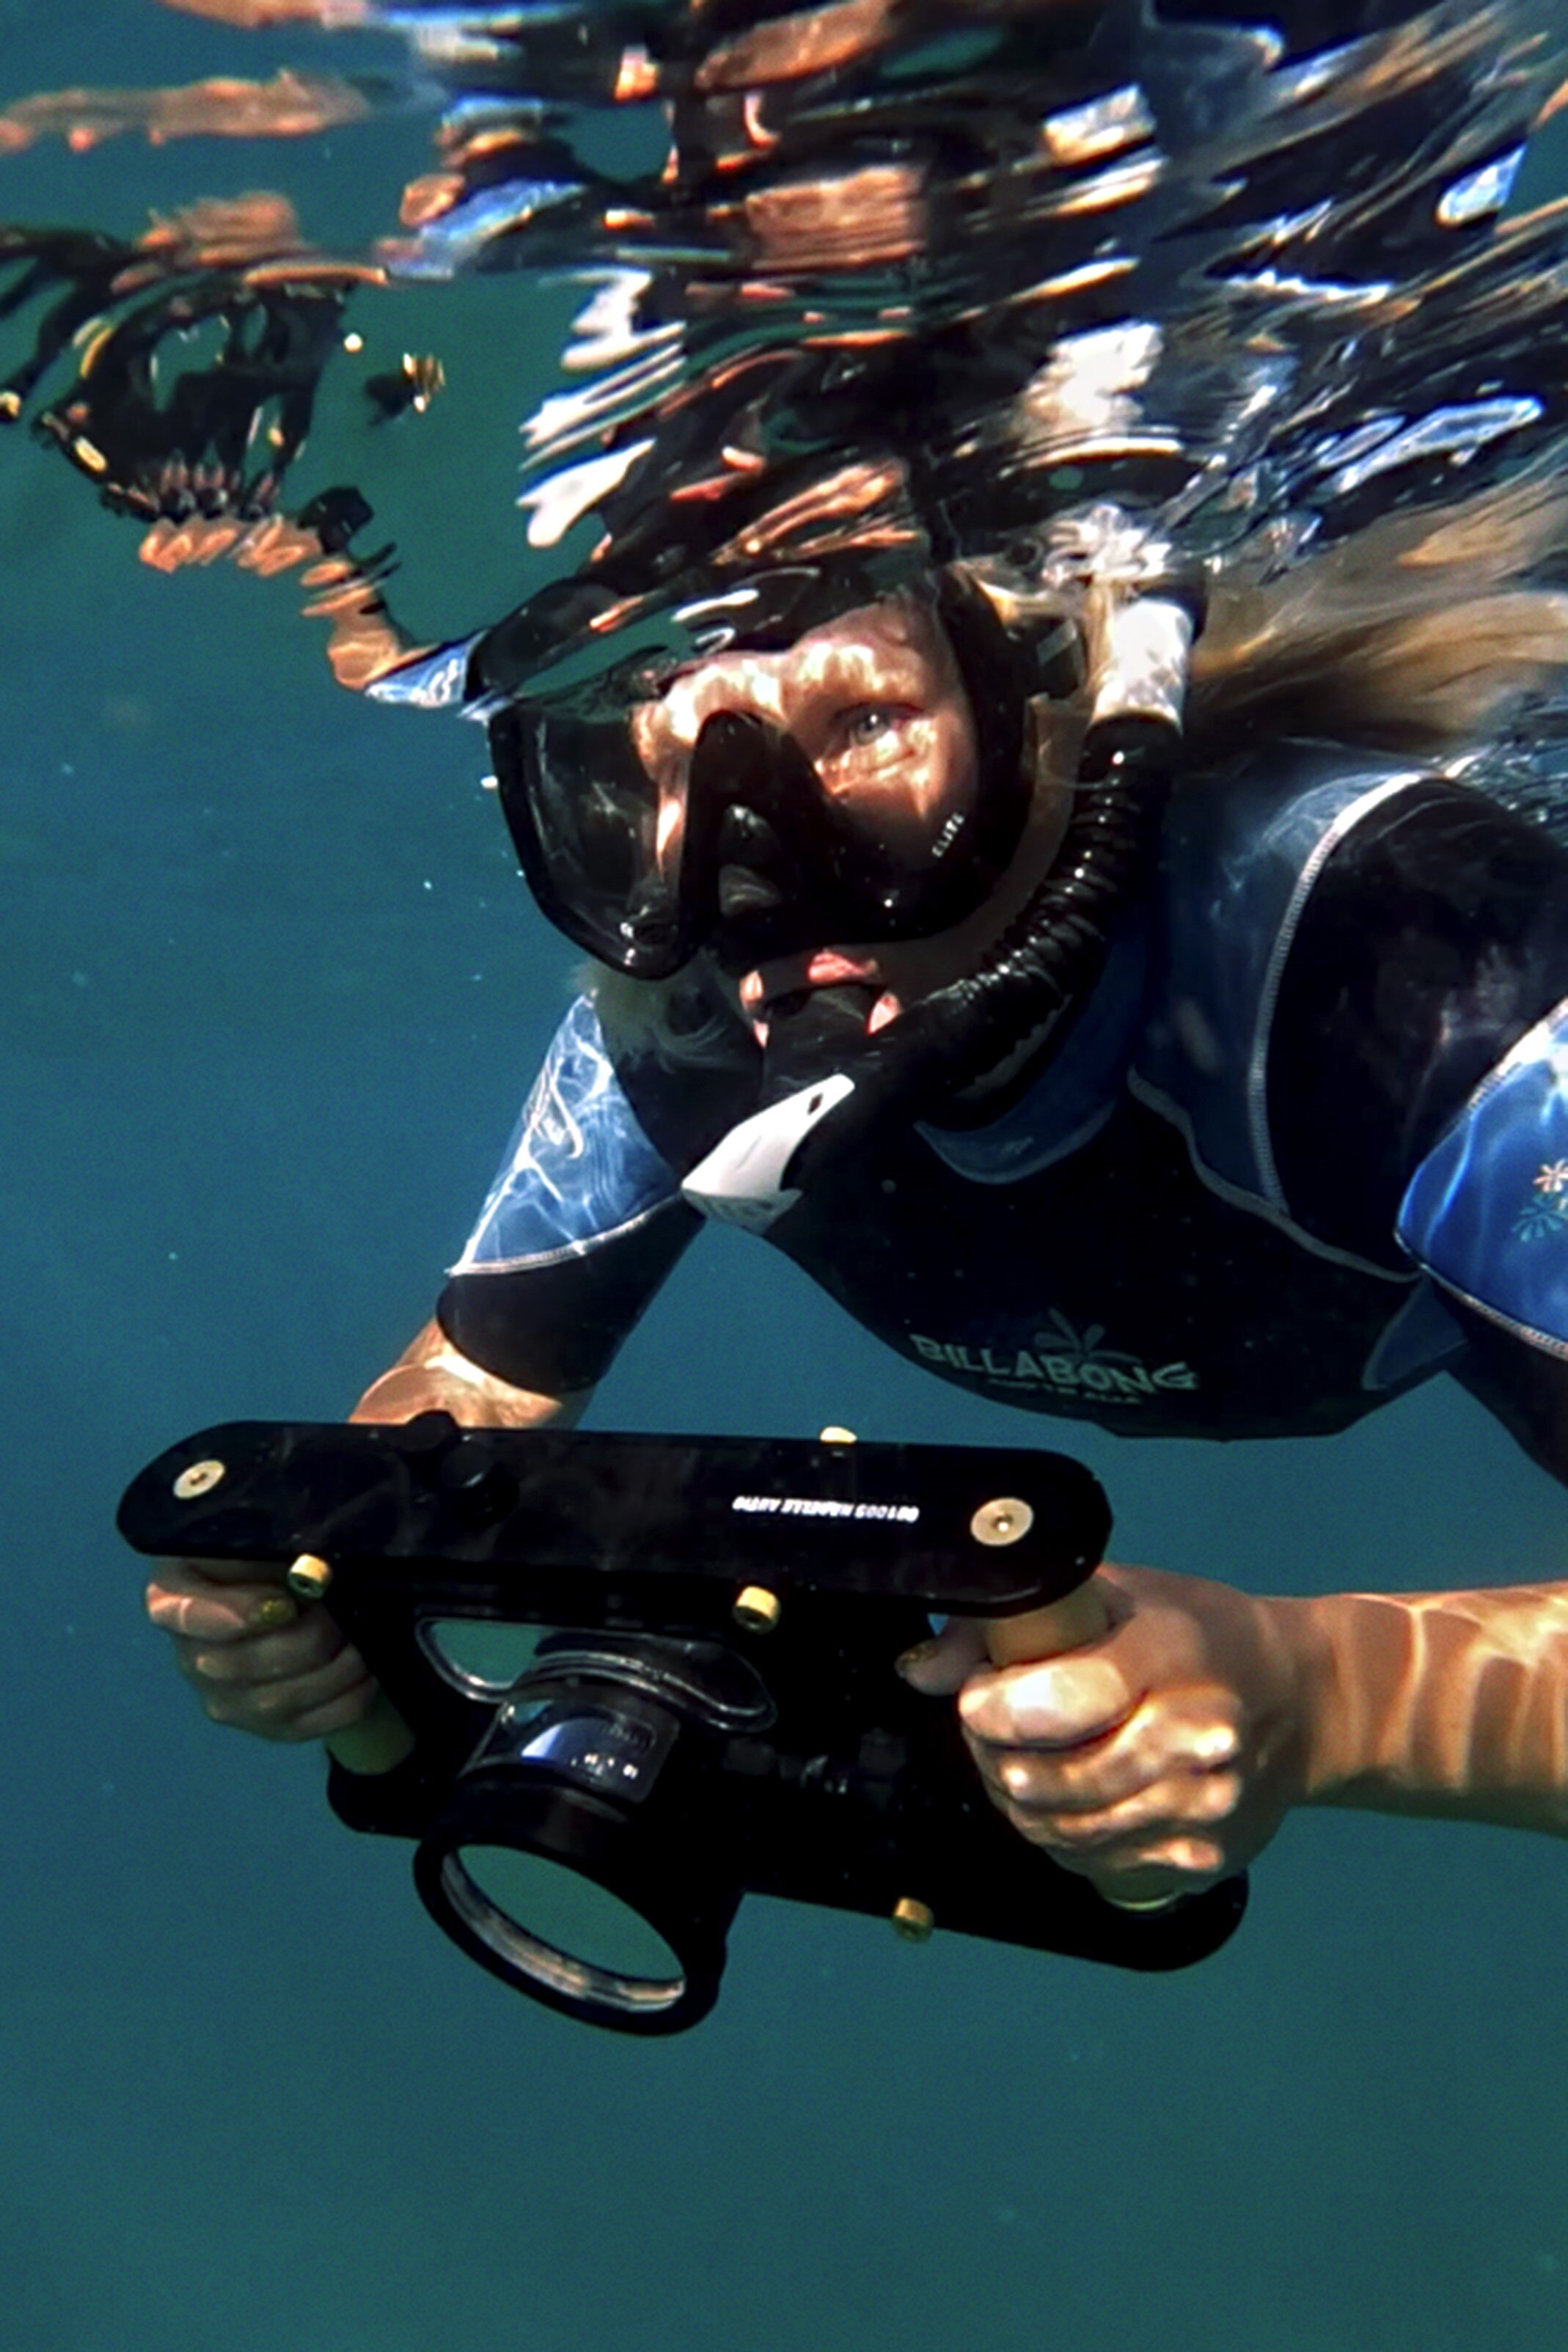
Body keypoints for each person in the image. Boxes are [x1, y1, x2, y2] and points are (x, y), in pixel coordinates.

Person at [145, 503, 1568, 1917]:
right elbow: (477, 1377)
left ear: (1049, 716)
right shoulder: (677, 1021)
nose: (756, 872)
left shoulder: (1414, 956)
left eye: (860, 726)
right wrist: (326, 1558)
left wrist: (1329, 1699)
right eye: (658, 773)